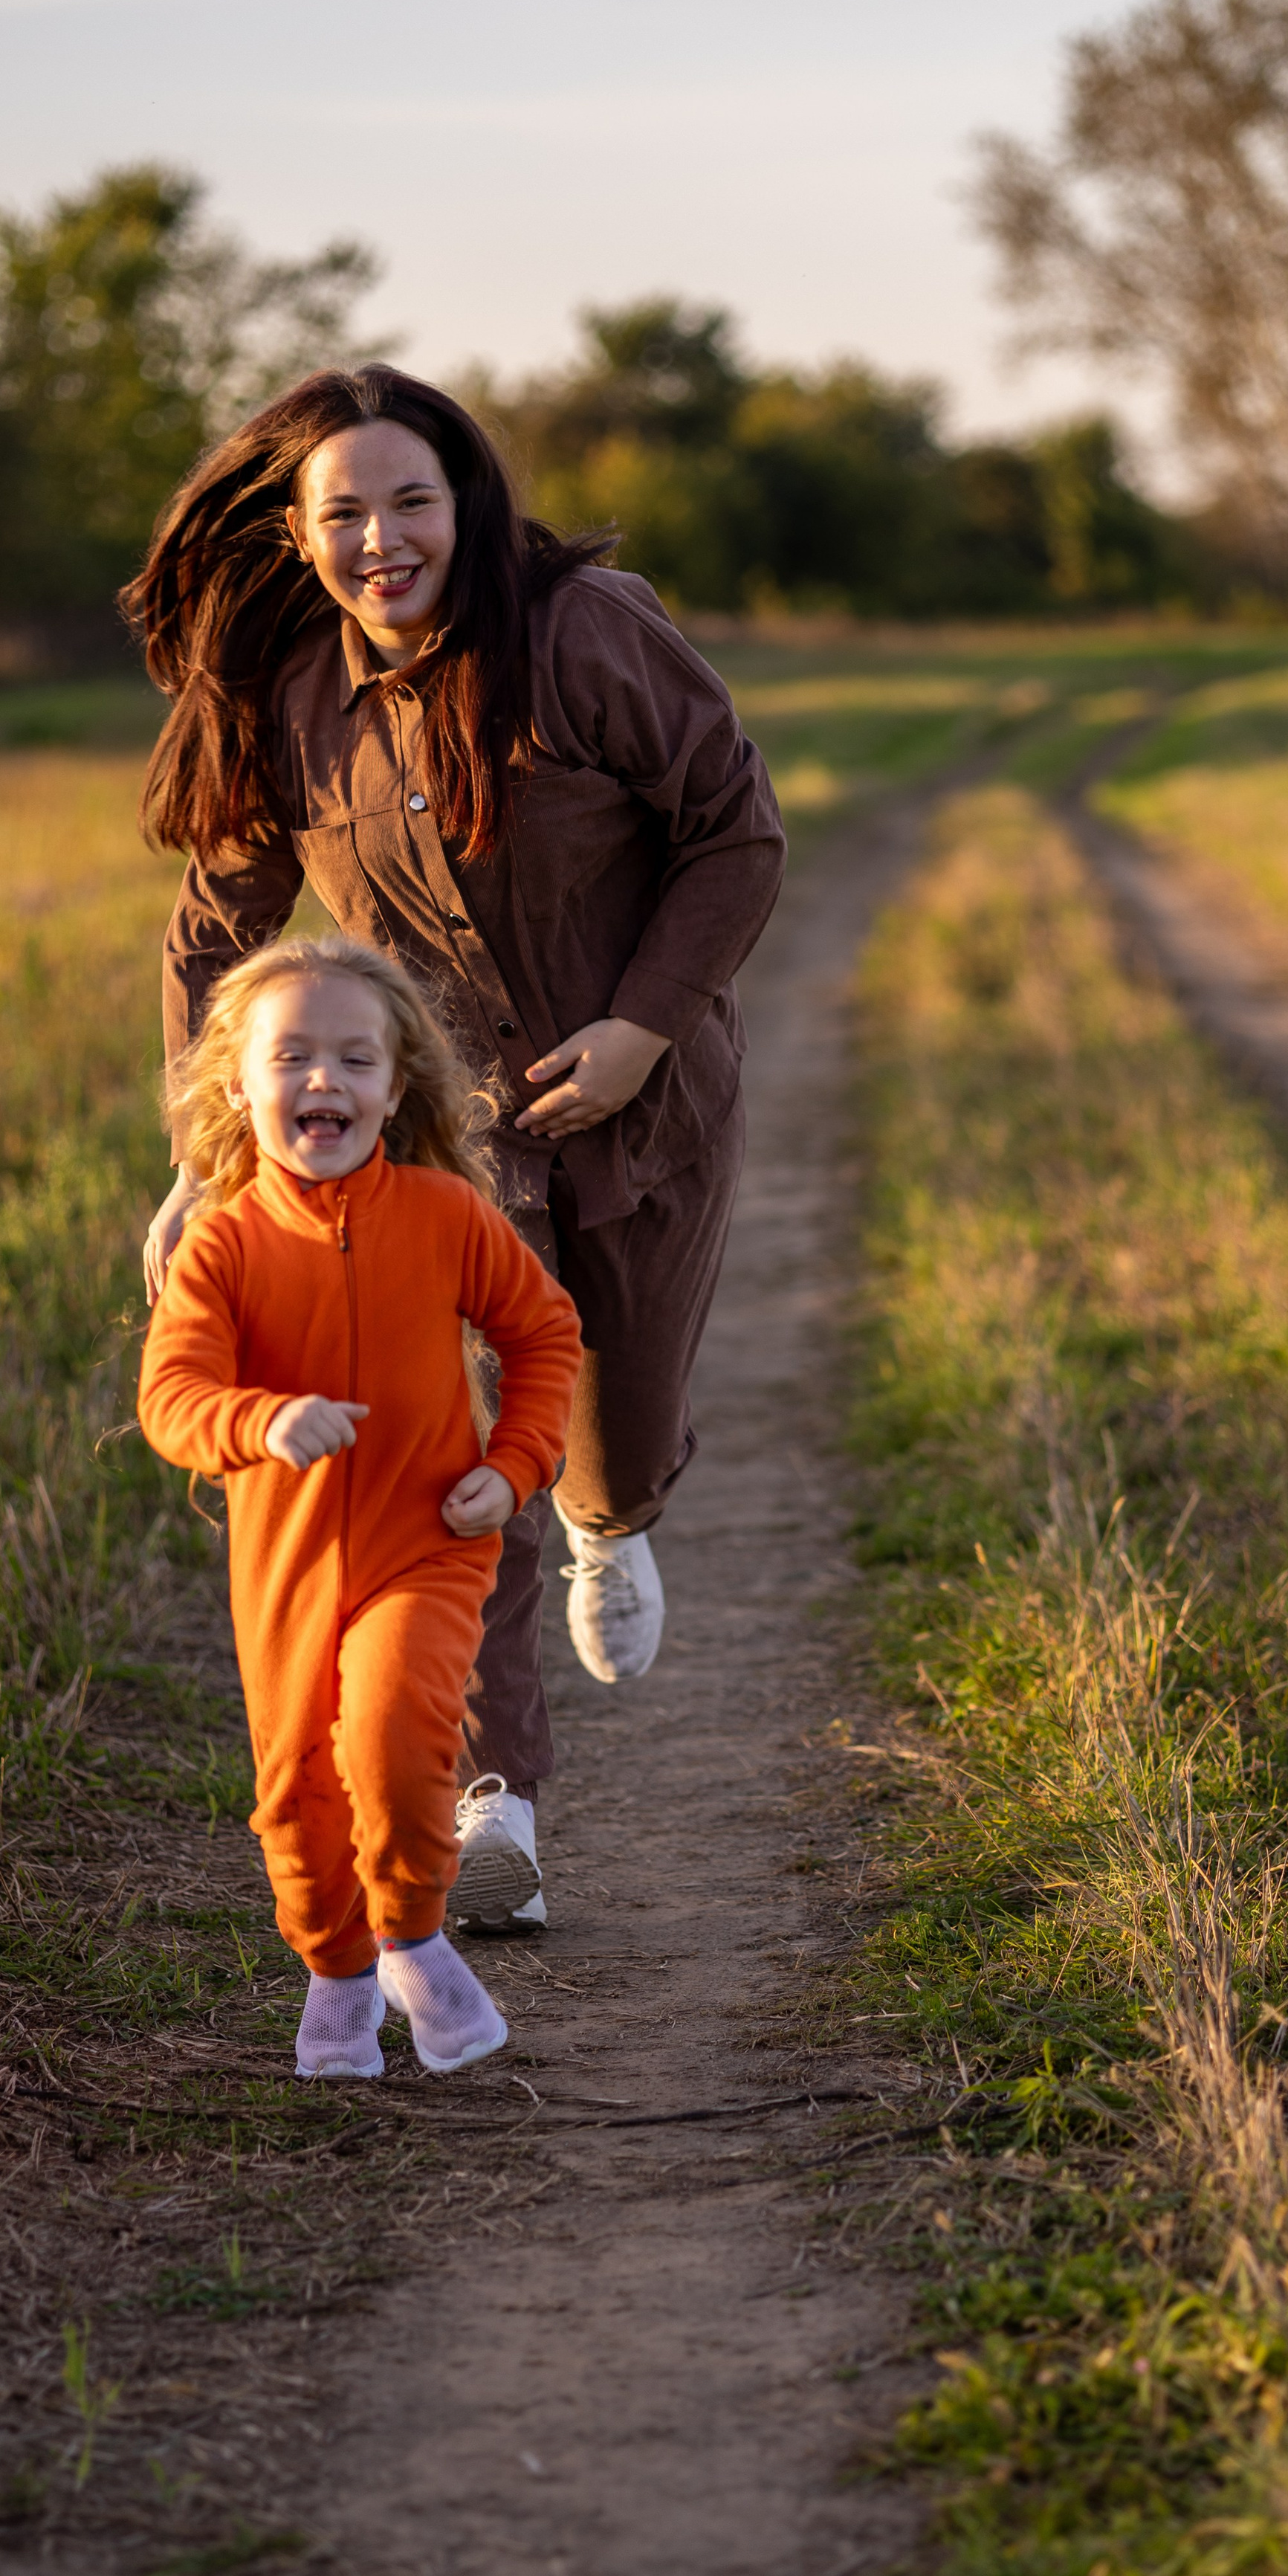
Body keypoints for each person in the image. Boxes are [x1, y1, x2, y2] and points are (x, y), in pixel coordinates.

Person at [128, 364, 785, 1932]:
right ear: (296, 536)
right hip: (444, 1147)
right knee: (456, 1456)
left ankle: (613, 1516)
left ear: (465, 500)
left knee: (609, 1432)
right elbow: (217, 928)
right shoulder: (287, 695)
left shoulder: (586, 635)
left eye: (410, 500)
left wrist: (640, 1028)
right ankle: (494, 1806)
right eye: (343, 513)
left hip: (647, 1109)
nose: (382, 540)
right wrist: (209, 1155)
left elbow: (734, 834)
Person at [137, 934, 581, 2077]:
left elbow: (543, 1335)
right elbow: (172, 1397)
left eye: (354, 1058)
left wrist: (516, 1465)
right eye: (291, 1057)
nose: (323, 1078)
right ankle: (338, 1975)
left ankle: (415, 1940)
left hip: (430, 1541)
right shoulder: (223, 1246)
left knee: (394, 1741)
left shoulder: (445, 1217)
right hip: (283, 1573)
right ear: (240, 1086)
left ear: (396, 1087)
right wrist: (260, 1420)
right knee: (294, 1793)